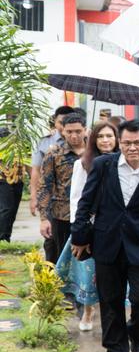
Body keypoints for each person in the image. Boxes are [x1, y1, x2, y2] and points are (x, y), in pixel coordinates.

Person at [71, 119, 139, 352]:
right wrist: (79, 237)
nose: (132, 147)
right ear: (119, 143)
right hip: (107, 244)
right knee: (110, 302)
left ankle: (136, 333)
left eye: (137, 142)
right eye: (126, 143)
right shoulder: (103, 165)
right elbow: (85, 201)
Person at [56, 122, 119, 331]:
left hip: (117, 227)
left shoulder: (124, 161)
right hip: (90, 226)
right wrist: (79, 232)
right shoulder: (83, 163)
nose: (106, 140)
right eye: (101, 136)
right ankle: (88, 311)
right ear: (94, 140)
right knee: (88, 271)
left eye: (110, 136)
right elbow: (76, 198)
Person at [37, 112, 87, 263]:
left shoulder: (95, 153)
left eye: (78, 131)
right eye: (69, 132)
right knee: (61, 258)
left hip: (89, 214)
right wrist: (44, 219)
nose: (73, 136)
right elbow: (45, 186)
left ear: (85, 129)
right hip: (62, 215)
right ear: (62, 131)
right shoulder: (54, 153)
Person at [31, 105, 74, 261]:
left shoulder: (86, 145)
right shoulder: (46, 143)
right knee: (53, 245)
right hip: (53, 203)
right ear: (55, 122)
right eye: (61, 122)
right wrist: (34, 196)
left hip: (78, 207)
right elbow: (37, 172)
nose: (64, 126)